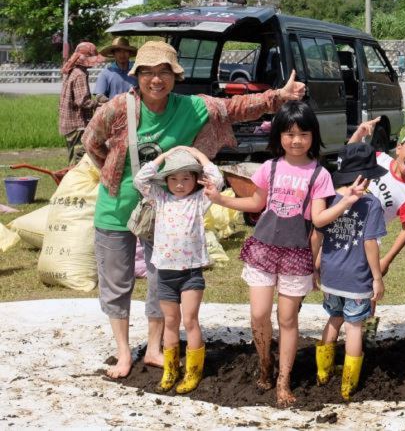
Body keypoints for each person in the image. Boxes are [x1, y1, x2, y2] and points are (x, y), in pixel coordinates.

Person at [84, 40, 306, 381]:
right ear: (137, 76)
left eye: (163, 72)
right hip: (114, 210)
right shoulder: (116, 109)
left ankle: (156, 347)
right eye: (147, 73)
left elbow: (236, 107)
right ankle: (125, 353)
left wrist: (278, 97)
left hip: (165, 216)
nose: (155, 80)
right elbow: (92, 142)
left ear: (175, 76)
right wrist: (114, 176)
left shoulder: (192, 107)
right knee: (117, 283)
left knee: (162, 280)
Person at [209, 100, 334, 406]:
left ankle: (283, 381)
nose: (296, 140)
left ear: (313, 136)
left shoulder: (320, 175)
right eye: (289, 133)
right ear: (279, 135)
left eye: (303, 134)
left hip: (297, 255)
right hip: (264, 249)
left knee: (288, 319)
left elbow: (317, 223)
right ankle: (265, 362)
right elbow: (256, 204)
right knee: (258, 314)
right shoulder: (270, 168)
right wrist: (220, 200)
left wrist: (316, 263)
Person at [133, 146, 223, 395]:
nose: (180, 184)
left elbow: (217, 179)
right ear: (166, 181)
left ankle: (193, 373)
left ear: (195, 180)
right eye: (173, 179)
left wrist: (197, 154)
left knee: (190, 320)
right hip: (165, 274)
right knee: (171, 322)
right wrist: (163, 157)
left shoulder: (199, 200)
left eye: (186, 178)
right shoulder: (159, 199)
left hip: (191, 272)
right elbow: (140, 179)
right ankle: (170, 371)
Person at [311, 142, 388, 401]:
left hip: (331, 276)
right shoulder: (370, 204)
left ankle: (323, 373)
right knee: (354, 327)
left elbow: (316, 236)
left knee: (334, 319)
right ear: (366, 177)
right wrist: (377, 277)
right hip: (357, 280)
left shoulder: (330, 199)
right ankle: (348, 384)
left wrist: (313, 267)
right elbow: (369, 243)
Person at [347, 118, 405, 275]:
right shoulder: (379, 158)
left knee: (365, 292)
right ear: (399, 148)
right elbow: (348, 155)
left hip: (368, 243)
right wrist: (359, 133)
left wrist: (386, 260)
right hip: (344, 228)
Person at [58, 41, 107, 163]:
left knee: (72, 156)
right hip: (77, 123)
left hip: (68, 123)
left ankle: (70, 177)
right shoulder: (80, 75)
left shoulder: (72, 71)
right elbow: (83, 102)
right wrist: (99, 103)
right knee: (78, 158)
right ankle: (74, 180)